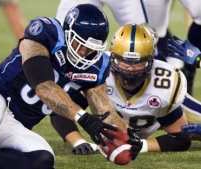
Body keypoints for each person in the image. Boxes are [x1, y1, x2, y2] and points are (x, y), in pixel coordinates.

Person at [0, 4, 143, 168]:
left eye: (91, 49)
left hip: (15, 125)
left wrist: (127, 136)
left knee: (43, 159)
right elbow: (44, 87)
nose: (84, 52)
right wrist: (83, 118)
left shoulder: (97, 66)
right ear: (68, 34)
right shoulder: (46, 33)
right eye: (80, 44)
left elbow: (106, 112)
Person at [51, 23, 192, 153]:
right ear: (112, 58)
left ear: (151, 61)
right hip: (137, 120)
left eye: (138, 62)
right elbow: (60, 110)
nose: (130, 68)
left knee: (195, 128)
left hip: (158, 119)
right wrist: (78, 142)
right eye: (124, 61)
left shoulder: (164, 84)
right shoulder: (97, 70)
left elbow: (181, 139)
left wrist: (142, 145)